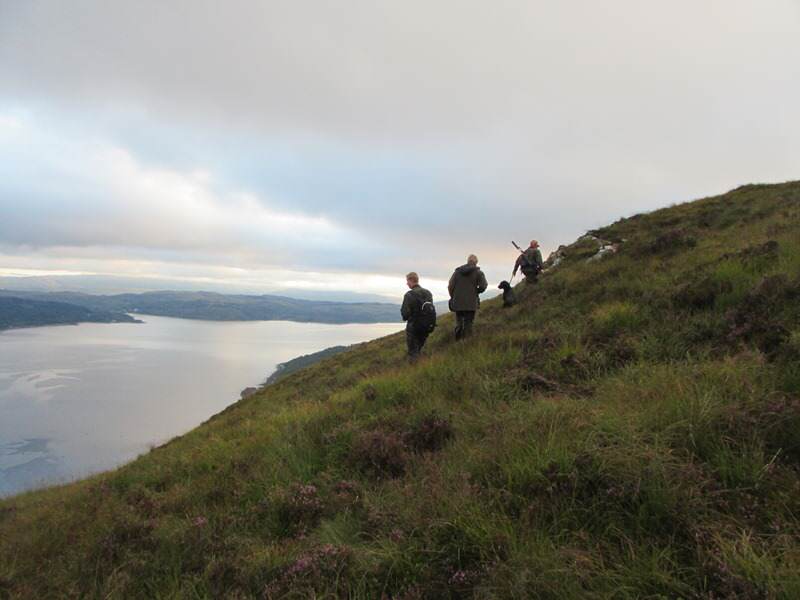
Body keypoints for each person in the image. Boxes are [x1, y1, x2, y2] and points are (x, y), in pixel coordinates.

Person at [448, 254, 488, 340]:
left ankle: (457, 342)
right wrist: (476, 292)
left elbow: (450, 286)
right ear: (476, 263)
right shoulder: (478, 273)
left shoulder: (457, 272)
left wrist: (453, 297)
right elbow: (483, 286)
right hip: (471, 303)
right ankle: (466, 343)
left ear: (467, 261)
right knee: (468, 324)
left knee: (459, 323)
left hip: (457, 303)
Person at [401, 272, 434, 361]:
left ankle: (414, 369)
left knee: (413, 352)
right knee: (419, 348)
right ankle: (421, 367)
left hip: (414, 327)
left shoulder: (409, 295)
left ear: (411, 280)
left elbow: (405, 314)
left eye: (407, 281)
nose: (407, 283)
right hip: (426, 326)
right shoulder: (428, 293)